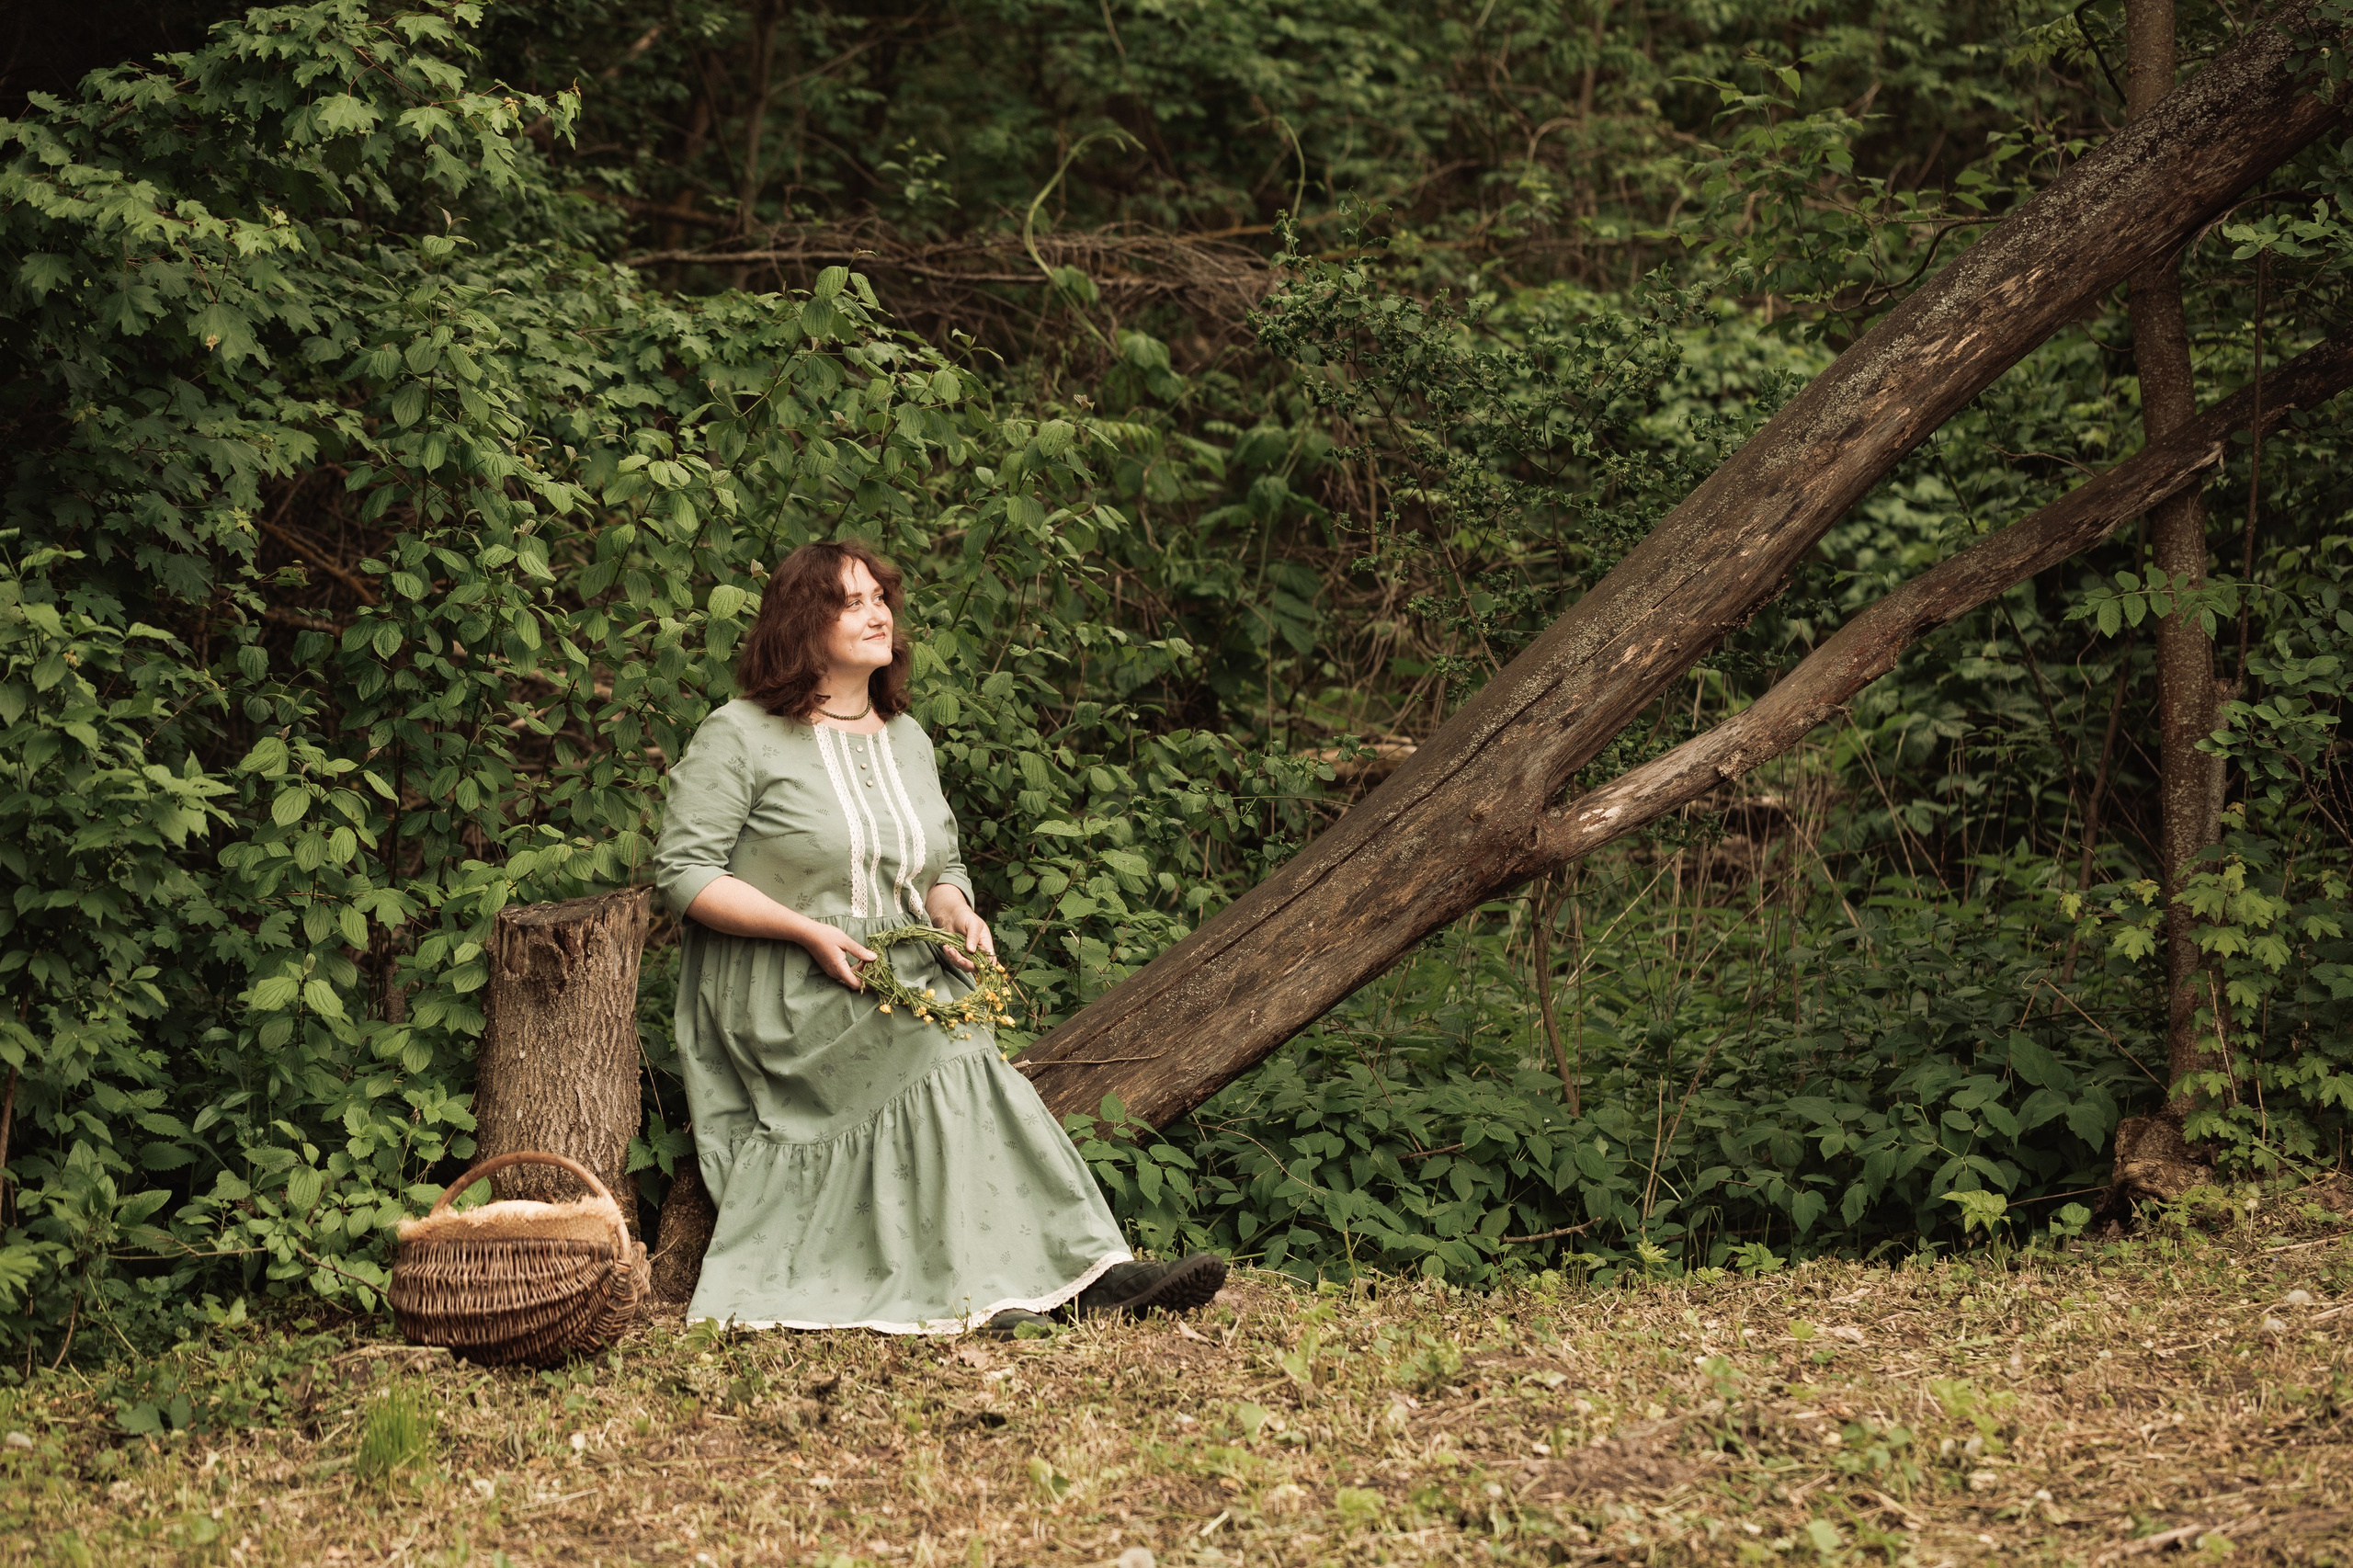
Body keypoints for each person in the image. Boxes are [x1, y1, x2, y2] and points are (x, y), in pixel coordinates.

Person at [651, 539, 1226, 1335]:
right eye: (851, 602)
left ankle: (1081, 1273)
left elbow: (939, 865)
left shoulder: (906, 737)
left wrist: (954, 909)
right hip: (783, 986)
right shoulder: (740, 734)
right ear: (800, 623)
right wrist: (806, 930)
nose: (877, 614)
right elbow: (684, 873)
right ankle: (995, 1293)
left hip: (899, 975)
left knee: (974, 1058)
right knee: (947, 1052)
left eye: (879, 598)